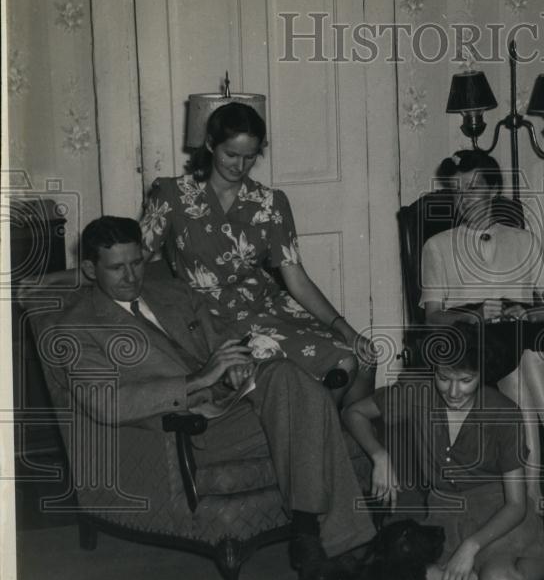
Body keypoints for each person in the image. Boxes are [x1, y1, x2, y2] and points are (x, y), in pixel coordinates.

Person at [45, 216, 375, 574]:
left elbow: (224, 337)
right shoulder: (76, 328)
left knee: (287, 376)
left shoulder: (175, 292)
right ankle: (342, 540)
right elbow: (106, 402)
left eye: (137, 262)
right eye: (117, 268)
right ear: (91, 270)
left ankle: (308, 530)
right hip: (190, 426)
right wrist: (198, 379)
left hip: (235, 401)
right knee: (314, 406)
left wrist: (236, 364)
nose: (131, 277)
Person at [342, 325, 544, 580]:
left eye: (466, 380)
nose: (453, 392)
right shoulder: (416, 394)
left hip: (500, 515)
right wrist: (379, 456)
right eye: (444, 378)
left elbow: (517, 506)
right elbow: (354, 413)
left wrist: (471, 547)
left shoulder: (504, 414)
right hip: (445, 514)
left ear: (482, 373)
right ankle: (522, 568)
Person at [139, 102, 374, 408]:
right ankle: (318, 441)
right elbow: (133, 257)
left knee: (357, 356)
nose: (239, 166)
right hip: (207, 320)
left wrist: (344, 328)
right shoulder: (172, 195)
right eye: (231, 155)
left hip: (267, 308)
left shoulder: (270, 202)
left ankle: (346, 444)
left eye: (250, 157)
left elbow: (296, 277)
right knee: (340, 366)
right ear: (210, 144)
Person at [420, 149, 544, 505]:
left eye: (472, 188)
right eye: (457, 190)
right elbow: (432, 316)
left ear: (494, 190)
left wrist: (526, 313)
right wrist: (474, 314)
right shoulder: (437, 246)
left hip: (519, 342)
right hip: (473, 344)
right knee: (527, 355)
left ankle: (533, 498)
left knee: (527, 357)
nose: (463, 198)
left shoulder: (523, 240)